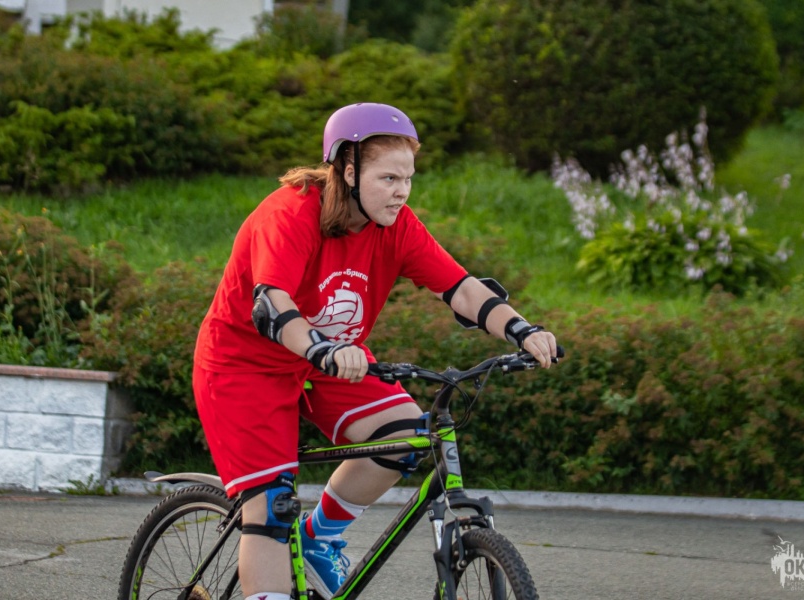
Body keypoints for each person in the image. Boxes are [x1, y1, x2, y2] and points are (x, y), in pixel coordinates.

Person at [192, 102, 558, 600]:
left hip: (327, 360)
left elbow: (461, 289)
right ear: (348, 171)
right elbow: (272, 305)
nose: (402, 191)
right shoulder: (291, 213)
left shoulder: (396, 225)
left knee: (406, 435)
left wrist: (520, 329)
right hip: (244, 366)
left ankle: (320, 537)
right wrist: (321, 349)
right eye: (388, 178)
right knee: (271, 512)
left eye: (408, 178)